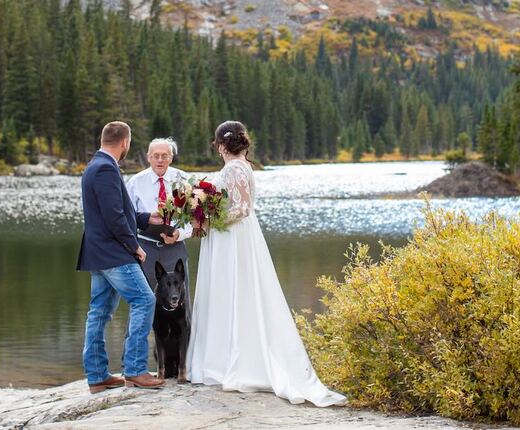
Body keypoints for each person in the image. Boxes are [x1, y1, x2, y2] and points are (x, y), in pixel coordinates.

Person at [186, 121, 346, 406]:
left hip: (233, 238)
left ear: (221, 145)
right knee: (237, 292)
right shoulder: (242, 165)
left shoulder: (235, 168)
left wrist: (211, 218)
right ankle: (227, 359)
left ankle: (233, 363)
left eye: (217, 145)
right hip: (231, 237)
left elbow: (243, 208)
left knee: (234, 291)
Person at [76, 121, 165, 392]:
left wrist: (146, 217)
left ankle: (98, 376)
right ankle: (136, 369)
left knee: (99, 312)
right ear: (125, 142)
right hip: (113, 253)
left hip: (99, 253)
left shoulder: (96, 165)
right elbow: (114, 218)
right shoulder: (105, 169)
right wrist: (134, 247)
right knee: (144, 300)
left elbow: (117, 212)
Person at [124, 137, 191, 292]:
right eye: (156, 156)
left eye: (164, 156)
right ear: (149, 157)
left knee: (180, 301)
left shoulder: (184, 180)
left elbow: (194, 216)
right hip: (145, 249)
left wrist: (179, 234)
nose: (160, 160)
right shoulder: (135, 183)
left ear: (171, 157)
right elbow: (127, 217)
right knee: (145, 299)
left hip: (176, 248)